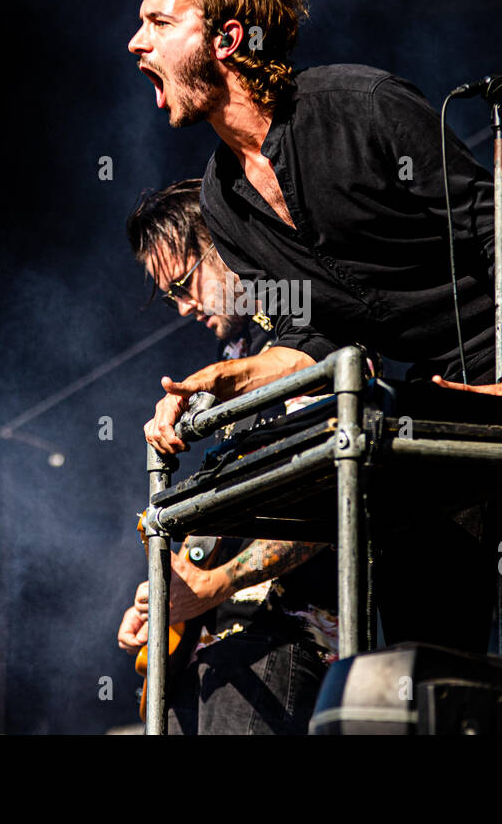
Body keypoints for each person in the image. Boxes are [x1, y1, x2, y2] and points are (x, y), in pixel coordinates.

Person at [128, 0, 502, 729]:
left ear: (227, 40)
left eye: (159, 21)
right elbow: (309, 337)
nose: (137, 42)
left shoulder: (357, 104)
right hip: (448, 355)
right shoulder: (224, 203)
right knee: (432, 591)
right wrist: (211, 389)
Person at [116, 178, 338, 734]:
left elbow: (331, 507)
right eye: (170, 296)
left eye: (186, 284)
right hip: (211, 646)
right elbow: (232, 513)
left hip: (283, 638)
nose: (184, 307)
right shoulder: (233, 350)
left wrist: (211, 588)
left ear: (226, 244)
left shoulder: (304, 337)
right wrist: (163, 596)